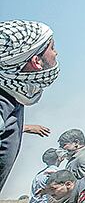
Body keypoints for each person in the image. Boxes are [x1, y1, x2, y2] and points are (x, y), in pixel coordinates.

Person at [0, 20, 59, 193]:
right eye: (52, 48)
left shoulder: (11, 99)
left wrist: (22, 128)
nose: (56, 54)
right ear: (36, 61)